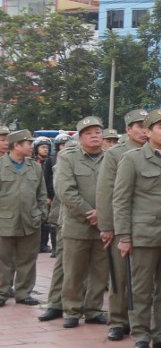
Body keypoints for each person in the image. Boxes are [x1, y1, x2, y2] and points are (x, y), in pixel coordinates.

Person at [113, 108, 161, 348]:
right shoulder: (132, 159)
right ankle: (141, 335)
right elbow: (121, 200)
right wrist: (124, 236)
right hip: (143, 235)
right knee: (141, 289)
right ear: (147, 132)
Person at [93, 109, 150, 338]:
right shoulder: (115, 154)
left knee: (145, 278)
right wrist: (107, 227)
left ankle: (142, 320)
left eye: (147, 126)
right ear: (128, 130)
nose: (144, 131)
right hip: (121, 223)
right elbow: (106, 192)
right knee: (119, 275)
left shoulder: (159, 151)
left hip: (149, 225)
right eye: (139, 126)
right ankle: (117, 320)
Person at [55, 117, 108, 327]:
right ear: (80, 138)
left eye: (97, 132)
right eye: (89, 133)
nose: (94, 136)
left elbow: (117, 190)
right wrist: (90, 213)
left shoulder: (111, 158)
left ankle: (94, 310)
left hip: (104, 226)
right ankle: (72, 310)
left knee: (99, 271)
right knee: (73, 271)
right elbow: (66, 191)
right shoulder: (68, 158)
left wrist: (103, 214)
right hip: (77, 224)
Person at [0, 131, 47, 307]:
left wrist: (41, 213)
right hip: (4, 220)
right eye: (27, 143)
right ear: (16, 146)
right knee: (3, 259)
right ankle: (2, 292)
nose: (31, 146)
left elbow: (42, 194)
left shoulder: (34, 167)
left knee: (27, 259)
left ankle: (23, 293)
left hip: (30, 221)